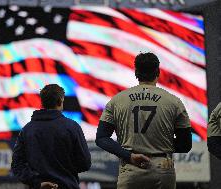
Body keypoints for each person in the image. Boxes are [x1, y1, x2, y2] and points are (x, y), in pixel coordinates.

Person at [96, 52, 192, 189]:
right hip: (162, 167)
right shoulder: (174, 102)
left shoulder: (117, 101)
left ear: (136, 73)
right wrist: (158, 146)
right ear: (158, 72)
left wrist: (128, 155)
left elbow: (101, 138)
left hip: (131, 168)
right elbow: (185, 145)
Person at [11, 84, 91, 189]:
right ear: (60, 101)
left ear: (42, 102)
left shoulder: (27, 130)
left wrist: (37, 182)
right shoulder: (72, 127)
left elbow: (17, 165)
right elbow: (85, 164)